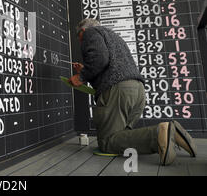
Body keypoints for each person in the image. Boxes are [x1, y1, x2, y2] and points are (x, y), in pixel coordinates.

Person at [68, 18, 197, 166]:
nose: (80, 42)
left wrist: (81, 76)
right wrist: (86, 70)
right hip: (137, 90)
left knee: (107, 143)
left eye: (79, 38)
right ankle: (174, 131)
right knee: (123, 135)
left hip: (118, 91)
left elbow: (100, 58)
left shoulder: (90, 33)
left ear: (82, 31)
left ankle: (158, 134)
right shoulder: (114, 37)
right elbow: (108, 64)